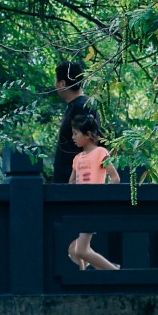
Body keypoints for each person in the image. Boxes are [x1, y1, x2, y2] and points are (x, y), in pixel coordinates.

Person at [65, 109, 122, 271]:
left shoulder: (100, 153)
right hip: (79, 208)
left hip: (93, 207)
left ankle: (115, 274)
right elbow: (71, 183)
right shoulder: (77, 159)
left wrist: (102, 198)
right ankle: (86, 279)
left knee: (81, 250)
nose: (73, 137)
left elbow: (115, 178)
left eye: (76, 133)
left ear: (88, 134)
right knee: (73, 250)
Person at [51, 60, 92, 184]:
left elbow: (90, 144)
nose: (55, 85)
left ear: (63, 83)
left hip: (75, 185)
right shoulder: (75, 106)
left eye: (56, 81)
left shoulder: (81, 107)